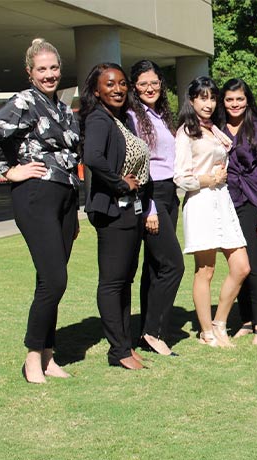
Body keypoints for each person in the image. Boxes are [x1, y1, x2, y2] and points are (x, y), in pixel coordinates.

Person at [0, 38, 78, 383]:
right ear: (30, 72)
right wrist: (9, 171)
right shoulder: (24, 101)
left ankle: (49, 355)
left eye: (53, 68)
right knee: (55, 279)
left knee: (48, 280)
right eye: (42, 69)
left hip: (65, 199)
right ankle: (33, 357)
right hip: (36, 194)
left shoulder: (64, 108)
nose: (49, 74)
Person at [81, 62, 153, 370]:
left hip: (130, 211)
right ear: (97, 91)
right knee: (112, 283)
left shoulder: (122, 119)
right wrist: (120, 182)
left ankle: (125, 345)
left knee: (125, 281)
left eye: (122, 83)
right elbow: (93, 157)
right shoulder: (99, 119)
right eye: (110, 84)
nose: (118, 89)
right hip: (112, 211)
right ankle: (117, 351)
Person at [174, 76, 250, 349]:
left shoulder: (214, 130)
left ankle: (220, 322)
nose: (208, 103)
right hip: (201, 202)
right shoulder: (186, 132)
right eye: (202, 98)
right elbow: (180, 177)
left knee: (242, 266)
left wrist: (220, 179)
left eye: (212, 97)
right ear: (192, 100)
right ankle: (207, 331)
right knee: (205, 270)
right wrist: (209, 179)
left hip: (222, 202)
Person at [128, 60, 185, 356]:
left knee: (154, 267)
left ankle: (150, 330)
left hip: (169, 193)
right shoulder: (133, 117)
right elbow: (138, 164)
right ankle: (153, 331)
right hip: (150, 194)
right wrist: (147, 207)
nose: (150, 88)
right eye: (143, 83)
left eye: (154, 83)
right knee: (173, 264)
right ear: (134, 87)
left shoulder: (163, 115)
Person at [215, 78, 257, 345]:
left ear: (247, 100)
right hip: (225, 204)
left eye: (239, 99)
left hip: (252, 203)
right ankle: (246, 320)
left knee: (254, 264)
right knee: (236, 265)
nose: (234, 104)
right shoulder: (216, 130)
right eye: (229, 99)